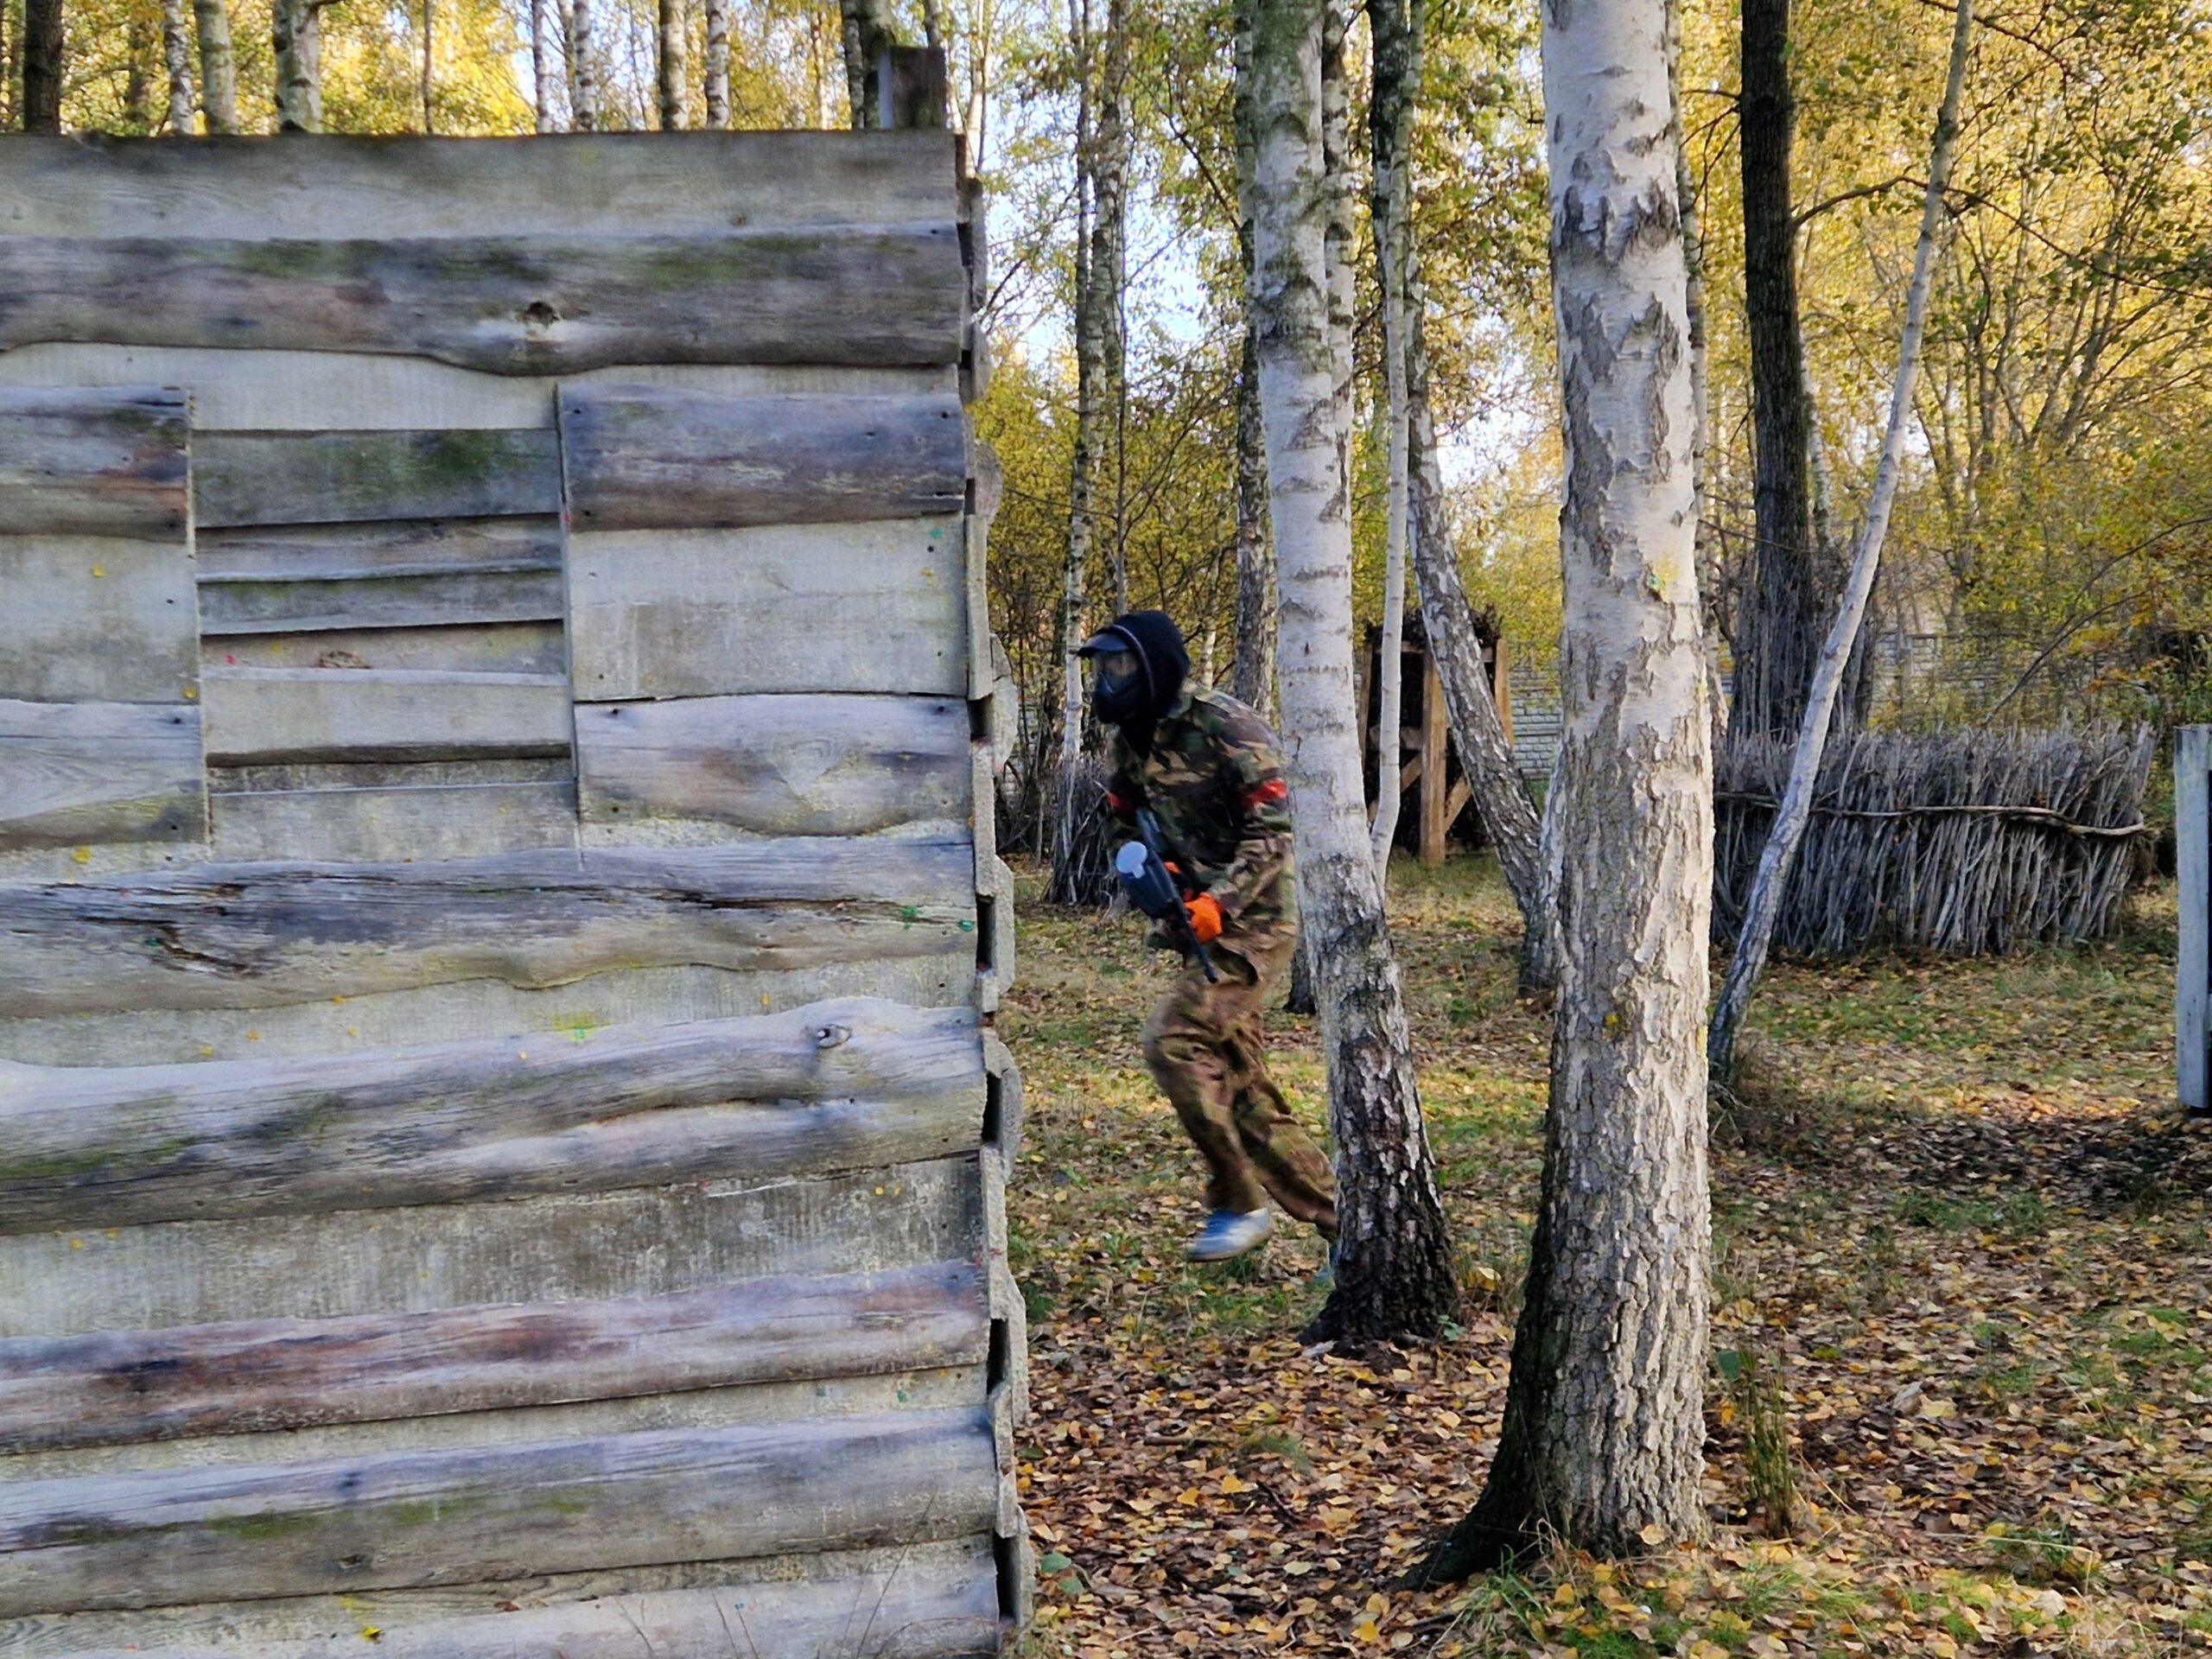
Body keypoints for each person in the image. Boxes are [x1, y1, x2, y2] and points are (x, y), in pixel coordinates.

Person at [1077, 609, 1338, 1263]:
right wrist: (1154, 871)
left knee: (1174, 1040)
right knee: (1243, 1092)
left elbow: (1274, 832)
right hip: (1196, 923)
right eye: (1102, 667)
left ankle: (1238, 1203)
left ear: (1154, 664)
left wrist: (1219, 904)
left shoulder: (1228, 727)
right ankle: (1353, 1232)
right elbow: (1120, 817)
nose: (1108, 679)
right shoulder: (1132, 739)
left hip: (1257, 925)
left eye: (1119, 665)